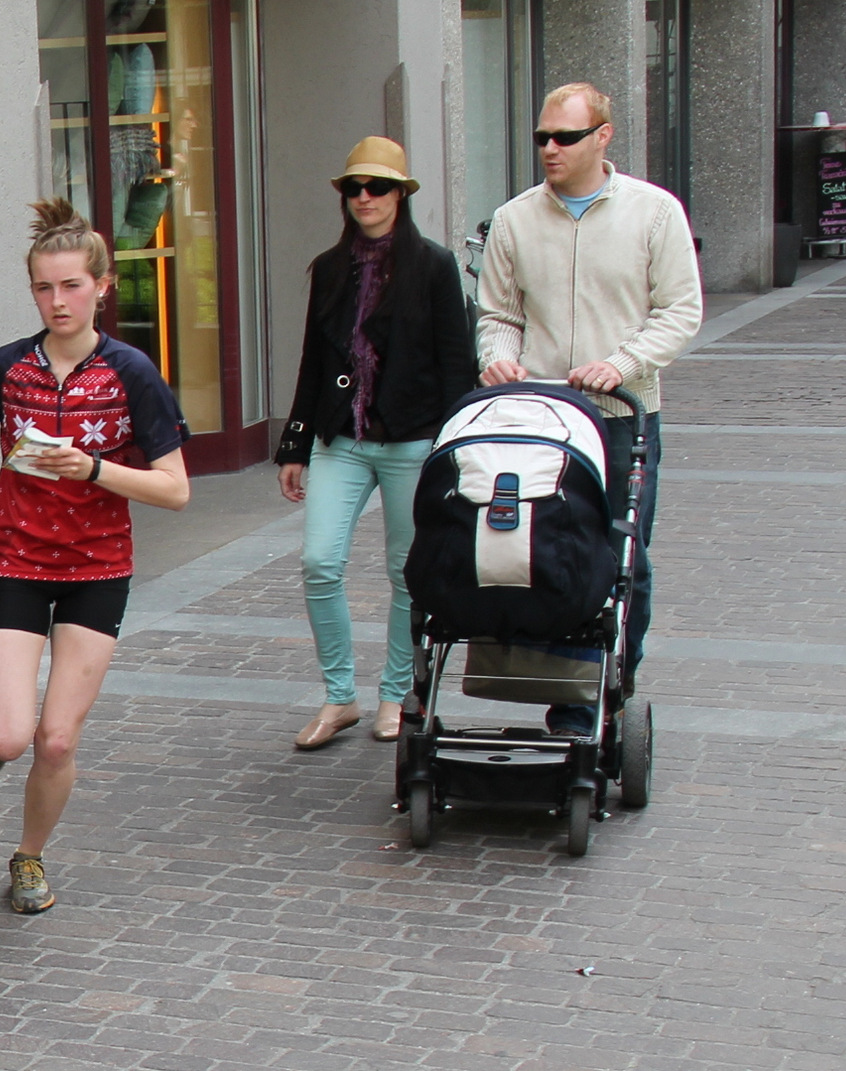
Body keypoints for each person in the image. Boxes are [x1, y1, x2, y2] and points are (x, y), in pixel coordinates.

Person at [0, 198, 190, 913]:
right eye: (44, 288)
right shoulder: (11, 366)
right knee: (13, 736)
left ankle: (28, 857)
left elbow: (175, 490)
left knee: (55, 741)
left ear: (102, 286)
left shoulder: (132, 373)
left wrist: (94, 469)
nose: (58, 301)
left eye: (72, 286)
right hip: (17, 559)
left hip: (97, 568)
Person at [476, 82, 701, 737]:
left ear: (603, 136)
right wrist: (498, 357)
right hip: (542, 416)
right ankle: (563, 692)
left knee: (620, 555)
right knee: (542, 549)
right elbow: (499, 315)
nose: (550, 148)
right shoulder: (514, 219)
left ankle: (607, 692)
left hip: (621, 414)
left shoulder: (654, 213)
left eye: (565, 137)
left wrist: (622, 363)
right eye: (542, 137)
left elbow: (680, 310)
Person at [275, 136, 474, 750]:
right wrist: (295, 444)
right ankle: (340, 697)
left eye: (378, 187)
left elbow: (456, 365)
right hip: (342, 438)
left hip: (414, 441)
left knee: (407, 571)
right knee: (319, 562)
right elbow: (313, 360)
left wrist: (454, 447)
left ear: (400, 195)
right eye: (354, 188)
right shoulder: (330, 267)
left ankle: (396, 693)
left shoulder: (434, 266)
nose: (365, 198)